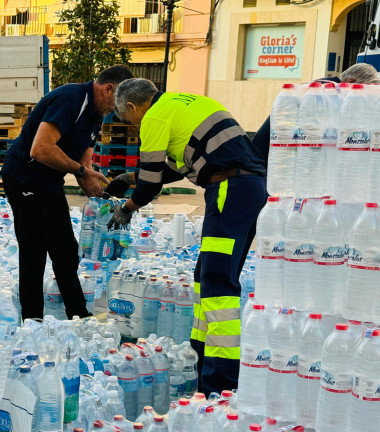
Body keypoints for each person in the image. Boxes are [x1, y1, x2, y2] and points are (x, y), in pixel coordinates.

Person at [105, 78, 266, 395]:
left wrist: (127, 208)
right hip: (250, 188)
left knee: (218, 284)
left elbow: (151, 186)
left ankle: (220, 385)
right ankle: (200, 359)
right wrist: (130, 177)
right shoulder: (183, 101)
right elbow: (176, 168)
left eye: (128, 119)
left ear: (134, 107)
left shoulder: (154, 117)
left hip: (229, 189)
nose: (133, 126)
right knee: (204, 277)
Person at [1, 64, 134, 320]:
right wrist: (83, 173)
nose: (116, 111)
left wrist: (104, 201)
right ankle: (33, 321)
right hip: (24, 178)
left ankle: (77, 314)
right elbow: (40, 149)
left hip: (49, 182)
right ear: (109, 89)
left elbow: (84, 165)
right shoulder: (71, 99)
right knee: (34, 251)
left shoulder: (96, 114)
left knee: (65, 250)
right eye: (120, 103)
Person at [252, 62, 380, 161]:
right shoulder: (327, 92)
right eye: (362, 90)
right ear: (351, 81)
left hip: (273, 152)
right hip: (272, 156)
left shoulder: (325, 87)